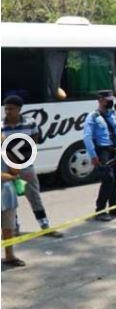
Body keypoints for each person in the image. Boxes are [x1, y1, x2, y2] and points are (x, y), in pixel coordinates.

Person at [2, 95, 64, 238]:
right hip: (6, 167)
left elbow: (35, 139)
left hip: (25, 165)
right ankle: (13, 229)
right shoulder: (1, 126)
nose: (8, 112)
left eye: (11, 109)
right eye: (6, 109)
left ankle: (45, 226)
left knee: (34, 196)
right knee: (9, 199)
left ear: (19, 109)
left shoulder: (30, 123)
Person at [82, 90, 116, 222]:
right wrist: (93, 155)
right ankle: (100, 210)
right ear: (100, 100)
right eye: (108, 99)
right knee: (108, 179)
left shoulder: (112, 114)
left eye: (111, 99)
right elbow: (87, 137)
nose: (111, 102)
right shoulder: (93, 117)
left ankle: (114, 208)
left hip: (114, 149)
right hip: (103, 151)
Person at [2, 151, 26, 268]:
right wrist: (11, 177)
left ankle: (9, 255)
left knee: (8, 228)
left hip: (7, 196)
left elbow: (16, 170)